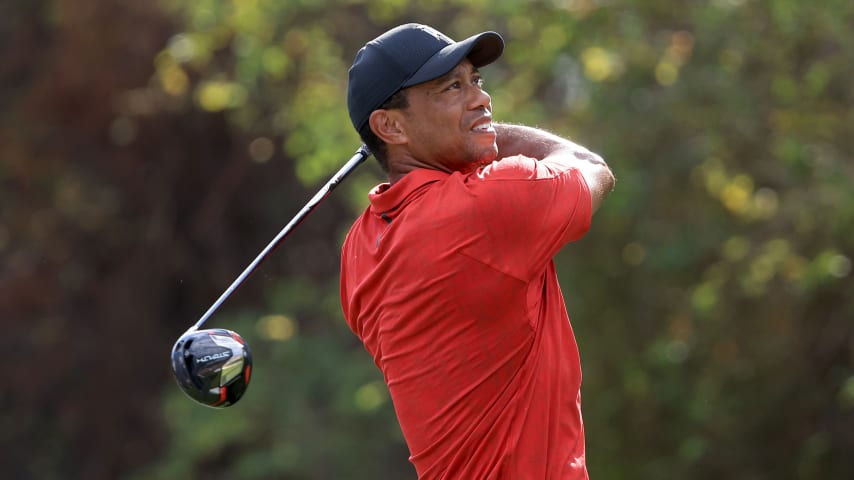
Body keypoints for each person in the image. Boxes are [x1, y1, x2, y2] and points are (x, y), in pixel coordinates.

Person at [340, 23, 615, 479]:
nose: (481, 99)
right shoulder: (485, 206)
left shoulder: (358, 249)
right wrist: (486, 133)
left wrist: (467, 129)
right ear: (389, 125)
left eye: (476, 81)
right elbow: (591, 167)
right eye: (451, 87)